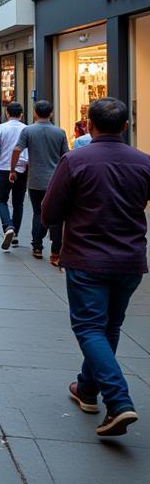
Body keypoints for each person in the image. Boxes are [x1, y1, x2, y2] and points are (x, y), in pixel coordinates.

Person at [42, 98, 150, 438]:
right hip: (129, 258)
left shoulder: (75, 160)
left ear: (89, 125)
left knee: (89, 327)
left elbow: (50, 212)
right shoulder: (144, 162)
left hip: (88, 257)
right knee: (110, 325)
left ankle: (118, 400)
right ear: (126, 126)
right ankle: (87, 389)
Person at [10, 100, 69, 264]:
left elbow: (17, 149)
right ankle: (56, 253)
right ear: (51, 113)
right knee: (56, 216)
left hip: (35, 179)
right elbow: (66, 156)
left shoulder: (28, 130)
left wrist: (13, 169)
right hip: (55, 181)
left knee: (38, 212)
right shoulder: (60, 132)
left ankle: (37, 246)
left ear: (35, 112)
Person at [0, 102, 28, 250]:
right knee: (18, 203)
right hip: (21, 169)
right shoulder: (26, 129)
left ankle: (8, 226)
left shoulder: (0, 128)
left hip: (4, 168)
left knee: (1, 200)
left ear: (7, 113)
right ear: (21, 114)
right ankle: (15, 233)